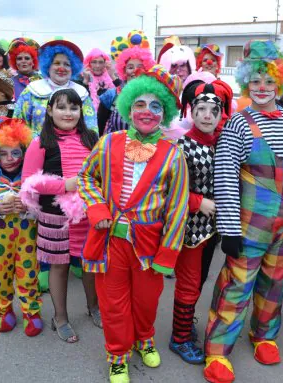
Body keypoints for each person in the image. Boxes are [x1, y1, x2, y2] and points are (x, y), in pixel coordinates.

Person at [203, 39, 283, 383]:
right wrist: (229, 229)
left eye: (269, 81)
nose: (263, 88)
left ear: (280, 83)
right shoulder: (237, 124)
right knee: (236, 286)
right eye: (255, 82)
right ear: (246, 84)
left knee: (274, 284)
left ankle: (263, 334)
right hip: (248, 224)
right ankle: (218, 351)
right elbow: (224, 177)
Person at [78, 65, 188, 383]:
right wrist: (97, 208)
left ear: (164, 112)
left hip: (150, 243)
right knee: (113, 303)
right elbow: (85, 177)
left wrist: (169, 253)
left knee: (146, 300)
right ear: (128, 106)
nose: (147, 111)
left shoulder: (173, 155)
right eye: (140, 103)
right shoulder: (108, 142)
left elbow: (178, 207)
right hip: (110, 239)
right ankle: (117, 354)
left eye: (156, 105)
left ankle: (144, 338)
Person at [21, 88, 101, 342]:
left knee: (90, 264)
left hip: (88, 215)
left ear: (81, 111)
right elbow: (28, 182)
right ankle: (61, 317)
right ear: (50, 110)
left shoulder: (92, 139)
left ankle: (94, 307)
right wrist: (65, 185)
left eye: (74, 108)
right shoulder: (40, 142)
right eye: (62, 107)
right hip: (55, 217)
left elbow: (102, 173)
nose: (68, 113)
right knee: (59, 267)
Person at [169, 78, 233, 365]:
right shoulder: (182, 145)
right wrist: (198, 202)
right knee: (189, 281)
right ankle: (179, 339)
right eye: (202, 109)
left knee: (199, 281)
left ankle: (185, 325)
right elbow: (169, 188)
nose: (208, 115)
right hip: (190, 228)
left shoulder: (223, 143)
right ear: (191, 113)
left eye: (213, 110)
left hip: (214, 230)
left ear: (221, 114)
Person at [0, 117, 43, 336]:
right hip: (0, 242)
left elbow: (42, 210)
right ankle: (3, 311)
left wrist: (27, 207)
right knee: (1, 276)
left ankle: (32, 312)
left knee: (29, 275)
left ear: (24, 151)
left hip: (27, 241)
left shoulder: (31, 179)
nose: (10, 158)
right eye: (3, 153)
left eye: (15, 152)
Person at [14, 39, 97, 136]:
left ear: (73, 68)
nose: (61, 68)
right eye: (57, 63)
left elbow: (91, 128)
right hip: (38, 149)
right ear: (48, 66)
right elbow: (17, 125)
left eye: (67, 64)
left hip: (73, 149)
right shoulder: (31, 91)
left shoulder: (81, 93)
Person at [98, 30, 155, 136]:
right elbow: (99, 129)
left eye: (140, 67)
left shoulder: (154, 95)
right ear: (124, 70)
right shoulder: (111, 96)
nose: (135, 71)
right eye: (130, 67)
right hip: (114, 150)